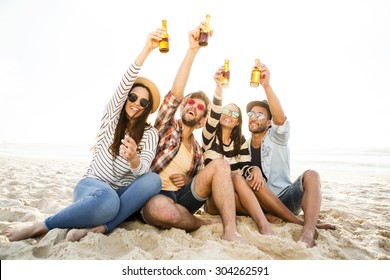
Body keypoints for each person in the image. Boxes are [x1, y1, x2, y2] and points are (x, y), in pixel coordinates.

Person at [1, 29, 164, 242]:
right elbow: (124, 82)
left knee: (152, 180)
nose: (136, 103)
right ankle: (42, 226)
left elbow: (142, 169)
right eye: (133, 96)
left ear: (148, 108)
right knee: (108, 200)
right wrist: (148, 49)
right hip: (92, 186)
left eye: (144, 102)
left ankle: (102, 227)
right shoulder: (111, 118)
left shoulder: (150, 134)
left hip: (121, 192)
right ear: (125, 98)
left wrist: (133, 158)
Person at [141, 22, 243, 242]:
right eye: (190, 103)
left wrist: (189, 177)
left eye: (198, 108)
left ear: (201, 121)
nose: (191, 107)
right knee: (160, 211)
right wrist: (192, 51)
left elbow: (200, 179)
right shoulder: (166, 127)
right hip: (158, 195)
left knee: (221, 164)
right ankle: (199, 222)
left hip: (184, 197)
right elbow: (175, 94)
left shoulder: (197, 149)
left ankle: (230, 230)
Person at [202, 66, 313, 236]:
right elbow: (213, 116)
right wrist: (218, 89)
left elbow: (245, 168)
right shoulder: (211, 137)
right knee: (239, 180)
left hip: (272, 197)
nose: (254, 117)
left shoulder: (250, 143)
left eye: (260, 115)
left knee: (241, 178)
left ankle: (289, 227)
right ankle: (266, 218)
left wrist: (255, 169)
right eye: (226, 110)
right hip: (228, 198)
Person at [245, 60, 335, 247]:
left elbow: (280, 117)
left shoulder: (276, 136)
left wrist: (266, 86)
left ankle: (309, 231)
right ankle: (295, 221)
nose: (254, 117)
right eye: (251, 114)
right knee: (251, 181)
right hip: (260, 202)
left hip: (285, 198)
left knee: (312, 175)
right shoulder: (244, 145)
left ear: (269, 122)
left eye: (260, 115)